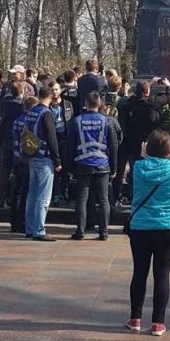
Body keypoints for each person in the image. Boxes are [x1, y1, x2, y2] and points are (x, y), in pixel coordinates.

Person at [126, 130, 170, 337]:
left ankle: (135, 318)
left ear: (147, 148)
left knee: (139, 272)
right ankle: (158, 323)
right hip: (169, 227)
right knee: (162, 274)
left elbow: (132, 181)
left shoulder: (138, 168)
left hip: (141, 227)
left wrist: (143, 154)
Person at [69, 92, 118, 241]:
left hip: (82, 164)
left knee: (82, 199)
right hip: (102, 164)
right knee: (103, 199)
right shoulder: (107, 121)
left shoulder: (77, 121)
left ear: (85, 103)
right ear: (100, 104)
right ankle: (103, 232)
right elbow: (113, 145)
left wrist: (70, 167)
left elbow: (71, 146)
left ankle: (80, 231)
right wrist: (114, 167)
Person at [20, 86, 62, 241]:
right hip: (44, 157)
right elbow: (52, 138)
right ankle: (39, 230)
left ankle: (30, 228)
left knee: (32, 194)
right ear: (50, 96)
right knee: (43, 197)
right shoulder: (46, 114)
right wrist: (57, 160)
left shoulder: (31, 111)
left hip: (32, 156)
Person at [11, 96, 39, 235]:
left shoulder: (17, 120)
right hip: (27, 159)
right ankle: (22, 221)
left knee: (16, 191)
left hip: (16, 158)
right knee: (26, 192)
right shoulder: (30, 121)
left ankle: (13, 221)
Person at [0, 82, 24, 207]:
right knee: (17, 171)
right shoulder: (21, 105)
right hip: (17, 140)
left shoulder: (6, 104)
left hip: (6, 138)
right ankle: (13, 198)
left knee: (4, 171)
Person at [48, 80, 74, 205]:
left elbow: (71, 120)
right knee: (54, 167)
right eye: (52, 90)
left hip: (65, 138)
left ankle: (65, 190)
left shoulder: (67, 104)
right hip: (53, 139)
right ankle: (56, 193)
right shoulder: (47, 106)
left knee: (65, 167)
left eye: (56, 89)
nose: (54, 92)